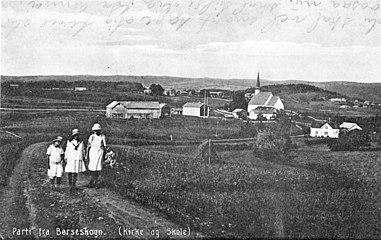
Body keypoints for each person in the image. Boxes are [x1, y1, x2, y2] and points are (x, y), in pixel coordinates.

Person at [86, 123, 106, 188]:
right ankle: (92, 181)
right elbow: (88, 146)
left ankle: (96, 182)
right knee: (92, 167)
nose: (97, 131)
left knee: (98, 167)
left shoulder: (102, 136)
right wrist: (86, 155)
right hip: (92, 152)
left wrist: (105, 156)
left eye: (98, 130)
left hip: (99, 152)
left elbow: (105, 146)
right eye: (95, 130)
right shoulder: (92, 136)